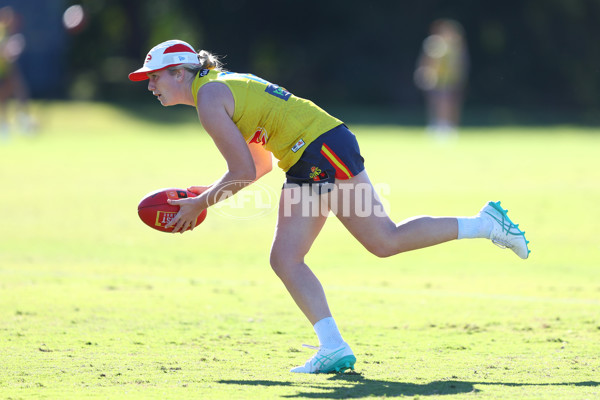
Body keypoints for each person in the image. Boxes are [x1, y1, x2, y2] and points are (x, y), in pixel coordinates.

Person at [129, 40, 530, 374]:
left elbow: (241, 168)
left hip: (318, 150)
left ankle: (485, 225)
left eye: (155, 77)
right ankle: (335, 347)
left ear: (180, 71)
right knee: (348, 247)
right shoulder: (217, 88)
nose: (150, 86)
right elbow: (259, 165)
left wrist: (199, 202)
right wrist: (204, 195)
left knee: (347, 246)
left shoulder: (210, 97)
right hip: (317, 150)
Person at [414, 19, 469, 138]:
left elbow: (460, 64)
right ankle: (437, 125)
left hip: (451, 80)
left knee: (451, 103)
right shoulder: (435, 43)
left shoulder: (456, 45)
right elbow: (427, 60)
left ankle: (449, 127)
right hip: (437, 79)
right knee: (437, 102)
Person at [0, 6, 35, 138]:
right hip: (2, 69)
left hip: (6, 69)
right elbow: (4, 52)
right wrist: (7, 50)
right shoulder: (2, 31)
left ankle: (22, 120)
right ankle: (5, 126)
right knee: (3, 97)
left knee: (19, 88)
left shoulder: (10, 33)